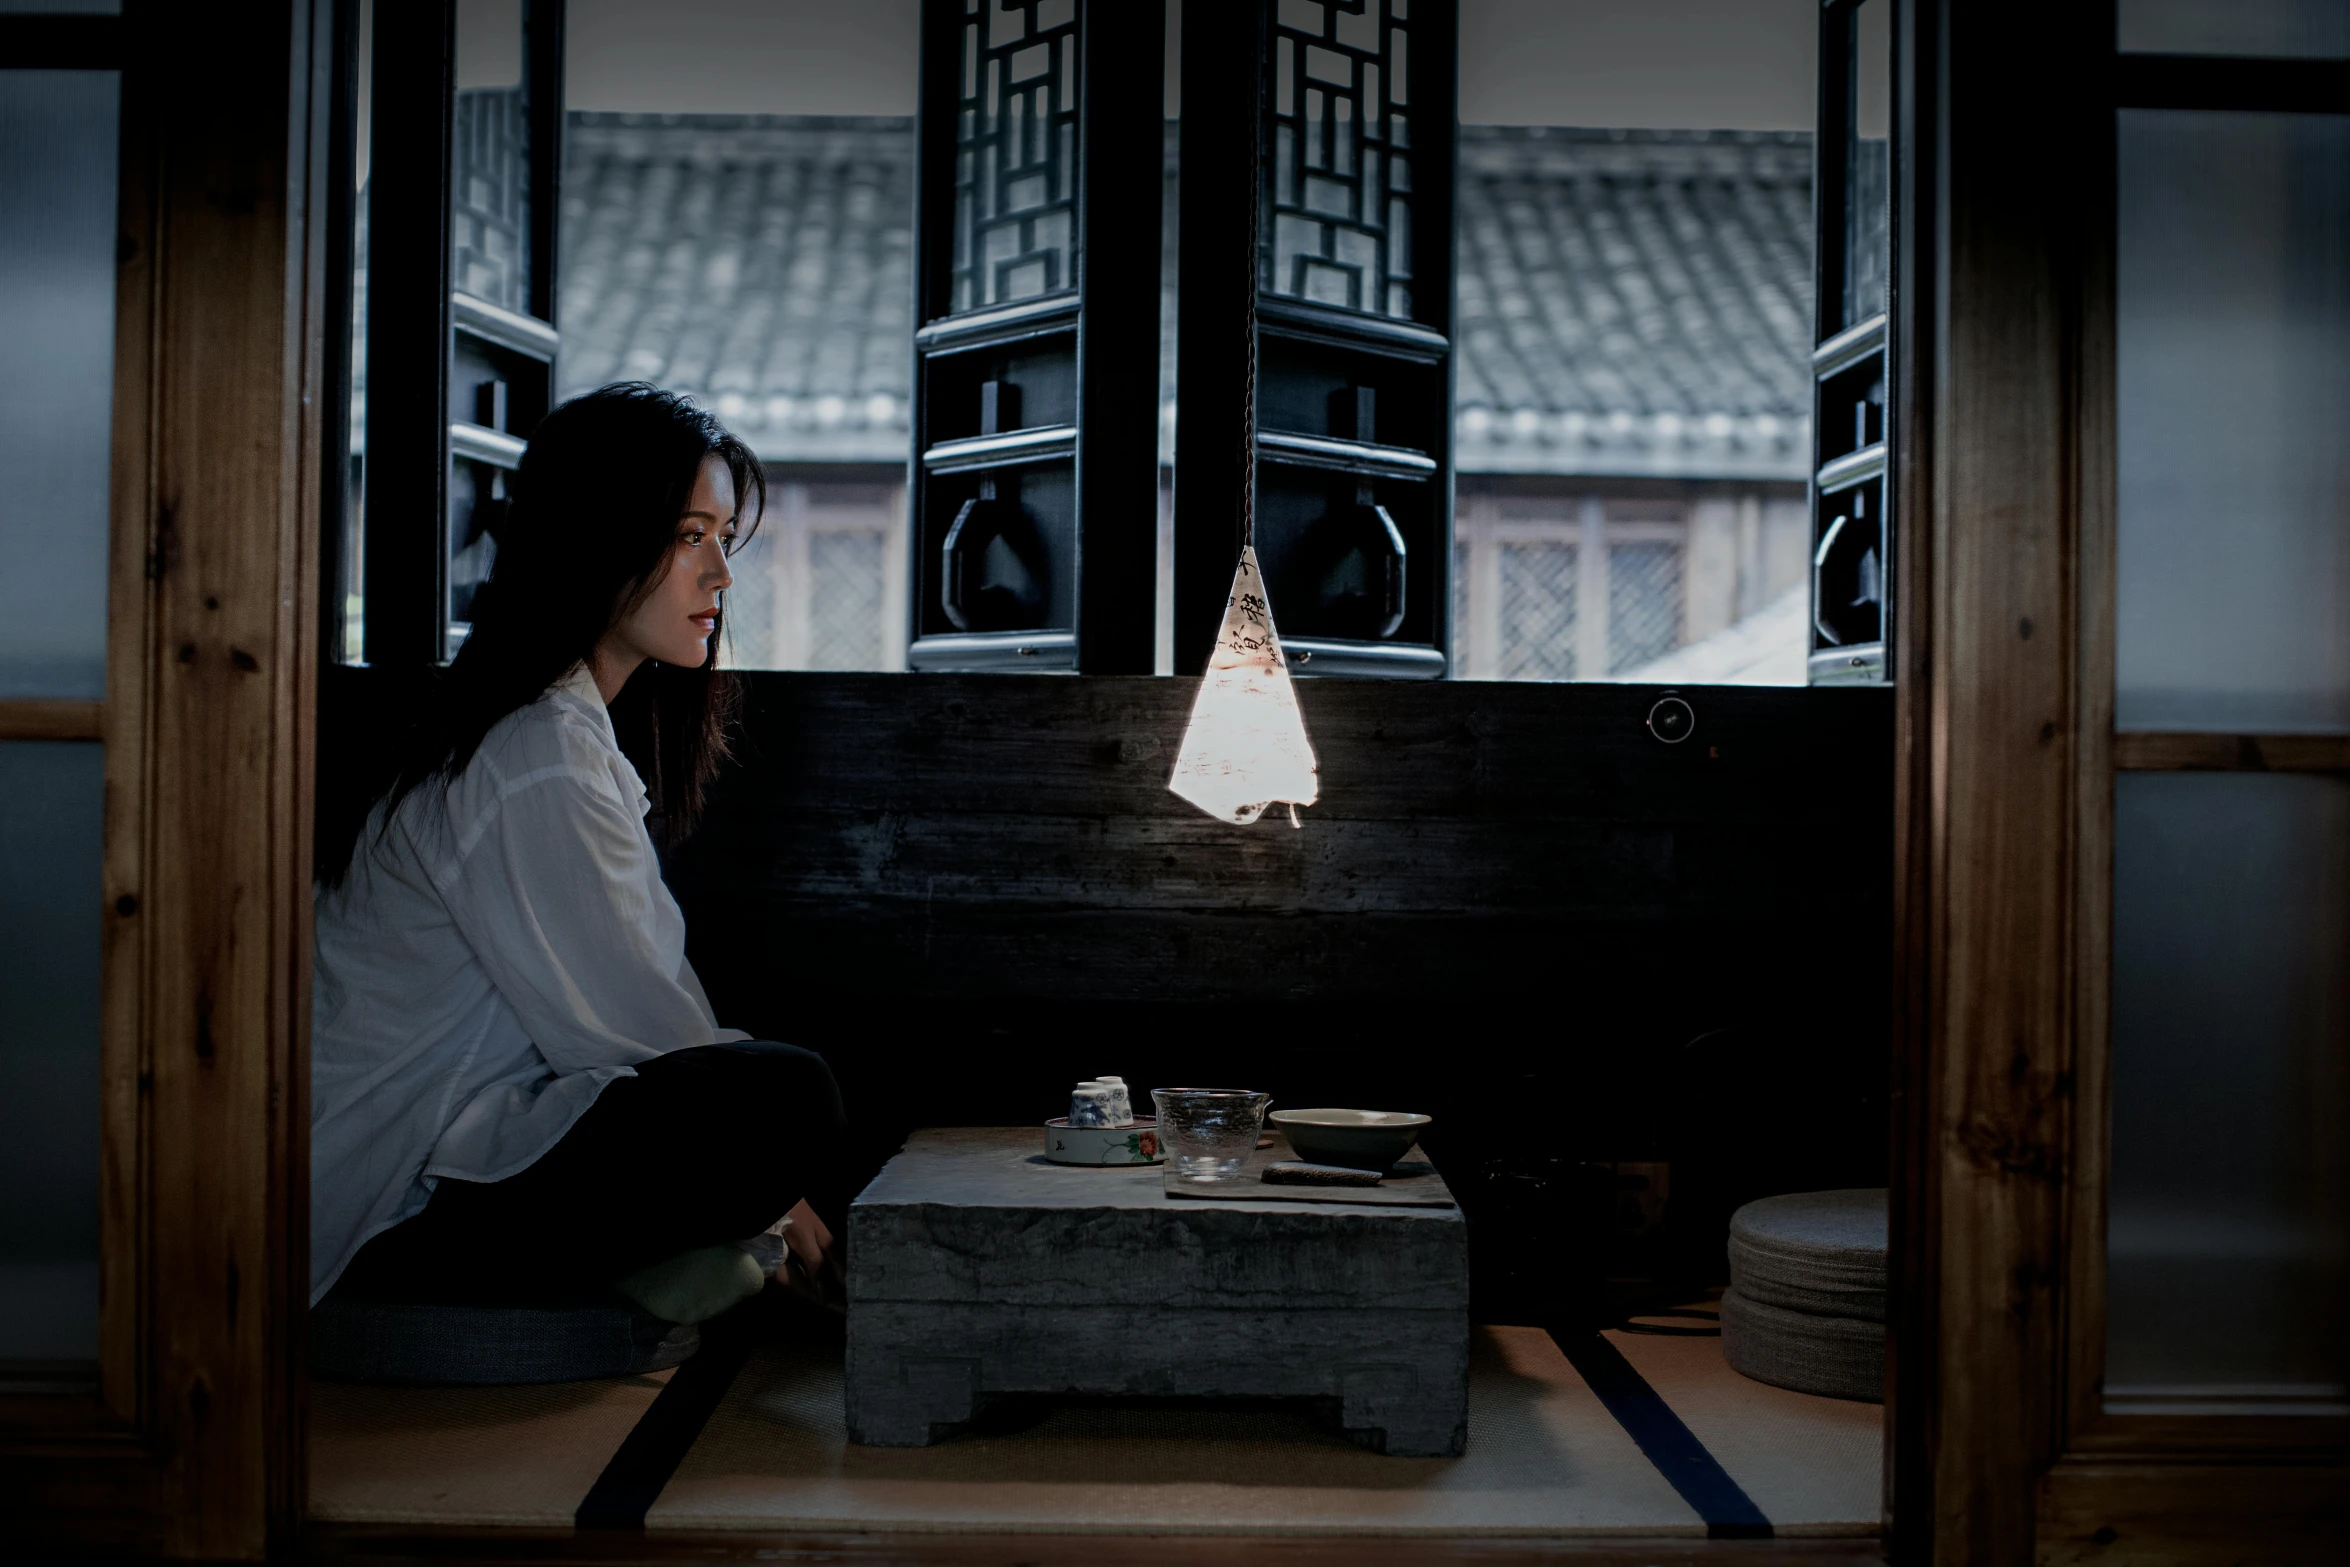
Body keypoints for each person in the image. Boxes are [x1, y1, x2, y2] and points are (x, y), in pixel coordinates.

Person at [310, 383, 843, 1322]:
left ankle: (693, 1264)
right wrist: (776, 1196)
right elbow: (642, 1029)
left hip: (455, 1163)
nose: (720, 573)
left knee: (766, 1093)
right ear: (599, 538)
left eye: (723, 537)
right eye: (689, 536)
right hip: (391, 1210)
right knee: (784, 1098)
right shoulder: (532, 751)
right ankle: (703, 1262)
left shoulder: (548, 727)